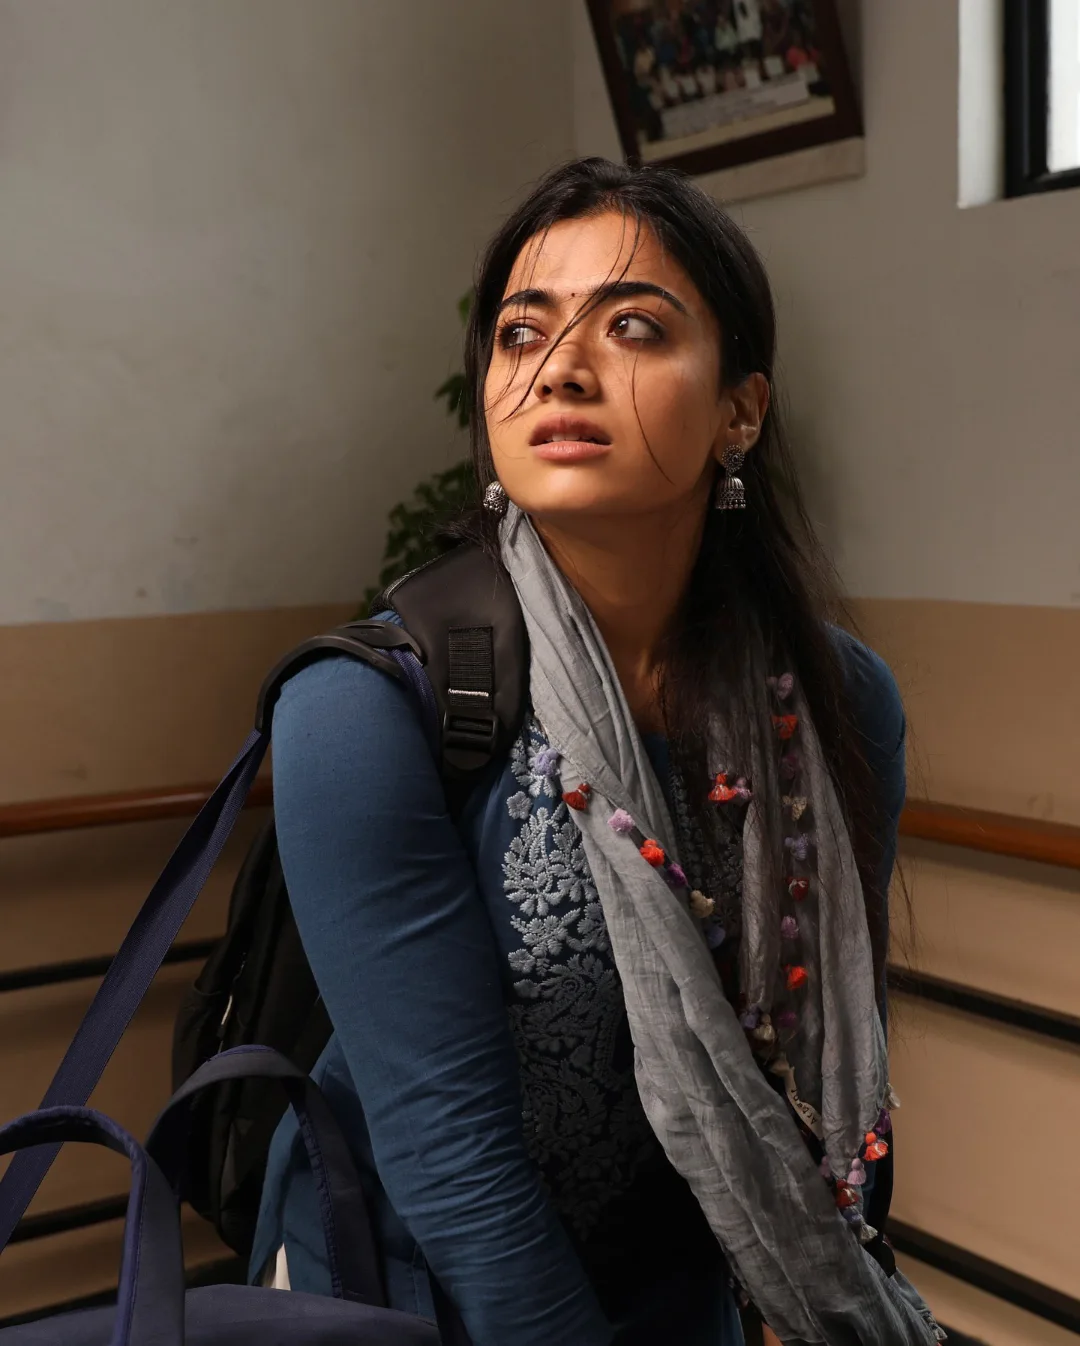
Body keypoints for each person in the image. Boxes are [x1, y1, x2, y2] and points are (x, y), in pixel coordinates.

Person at [250, 158, 943, 1346]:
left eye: (632, 326)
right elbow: (452, 1158)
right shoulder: (363, 710)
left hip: (682, 1288)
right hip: (406, 1291)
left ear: (740, 411)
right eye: (523, 331)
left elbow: (836, 1058)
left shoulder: (834, 700)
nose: (560, 367)